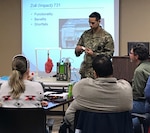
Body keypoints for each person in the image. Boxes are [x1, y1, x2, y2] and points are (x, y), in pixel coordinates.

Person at [64, 55, 133, 132]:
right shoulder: (126, 88)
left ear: (95, 73)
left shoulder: (82, 87)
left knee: (73, 107)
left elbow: (69, 116)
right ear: (112, 70)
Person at [75, 12, 114, 79]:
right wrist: (77, 50)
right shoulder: (85, 34)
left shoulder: (106, 36)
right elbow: (78, 52)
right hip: (85, 72)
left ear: (99, 21)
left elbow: (109, 55)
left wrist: (94, 54)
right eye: (89, 23)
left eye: (93, 23)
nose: (90, 25)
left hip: (98, 73)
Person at [129, 43, 150, 114]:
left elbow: (137, 94)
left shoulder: (139, 71)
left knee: (122, 106)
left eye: (131, 53)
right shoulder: (148, 66)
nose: (129, 55)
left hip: (144, 104)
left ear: (136, 56)